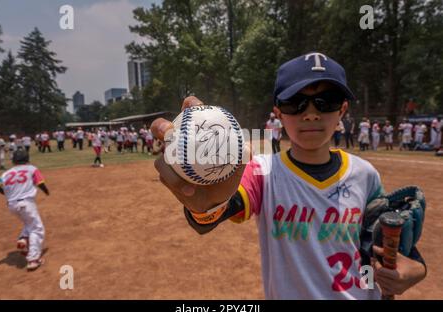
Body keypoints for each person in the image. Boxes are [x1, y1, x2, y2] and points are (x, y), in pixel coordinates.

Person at [151, 53, 426, 299]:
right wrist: (207, 205)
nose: (310, 114)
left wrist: (415, 266)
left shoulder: (365, 174)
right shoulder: (262, 172)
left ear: (342, 109)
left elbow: (378, 239)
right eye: (296, 103)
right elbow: (212, 213)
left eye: (325, 102)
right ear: (278, 112)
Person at [0, 147, 49, 271]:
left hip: (12, 205)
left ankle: (23, 239)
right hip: (26, 203)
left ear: (14, 160)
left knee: (28, 222)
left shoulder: (7, 173)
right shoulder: (32, 169)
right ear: (27, 159)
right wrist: (46, 191)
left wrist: (6, 194)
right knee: (37, 229)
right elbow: (40, 183)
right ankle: (33, 259)